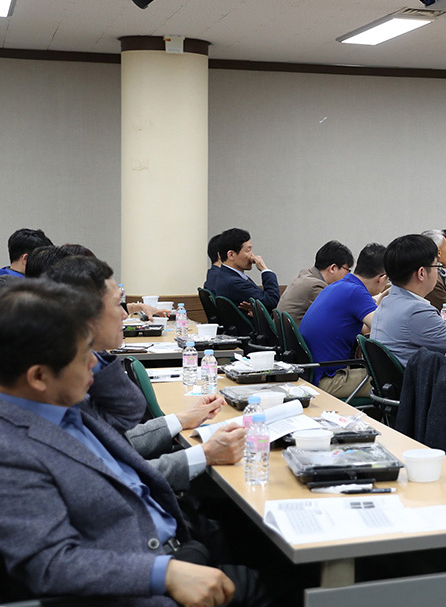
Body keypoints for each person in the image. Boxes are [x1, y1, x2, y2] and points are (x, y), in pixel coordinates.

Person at [0, 280, 268, 606]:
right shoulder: (10, 448)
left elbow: (128, 415)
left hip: (172, 541)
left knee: (264, 549)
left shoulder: (65, 402)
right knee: (280, 583)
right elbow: (50, 563)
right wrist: (163, 573)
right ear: (39, 377)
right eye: (84, 356)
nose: (95, 364)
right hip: (139, 582)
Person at [45, 255, 245, 490]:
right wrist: (206, 454)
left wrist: (182, 419)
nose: (124, 314)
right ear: (86, 316)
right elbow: (116, 477)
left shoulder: (72, 378)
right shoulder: (62, 392)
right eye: (116, 304)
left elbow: (120, 442)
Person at [301, 243, 390, 400]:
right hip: (328, 380)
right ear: (382, 278)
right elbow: (385, 328)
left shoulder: (339, 285)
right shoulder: (357, 292)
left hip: (312, 372)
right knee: (394, 380)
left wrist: (379, 298)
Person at [371, 234, 446, 366]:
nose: (438, 273)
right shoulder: (416, 312)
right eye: (437, 266)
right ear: (421, 273)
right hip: (417, 385)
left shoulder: (388, 301)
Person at [277, 240, 354, 325]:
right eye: (347, 270)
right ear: (333, 268)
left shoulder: (305, 274)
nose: (348, 274)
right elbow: (340, 318)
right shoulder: (316, 286)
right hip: (297, 337)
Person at [204, 227, 280, 311]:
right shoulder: (233, 282)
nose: (252, 255)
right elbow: (272, 301)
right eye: (248, 250)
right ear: (231, 255)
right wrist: (264, 269)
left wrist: (257, 311)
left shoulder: (228, 276)